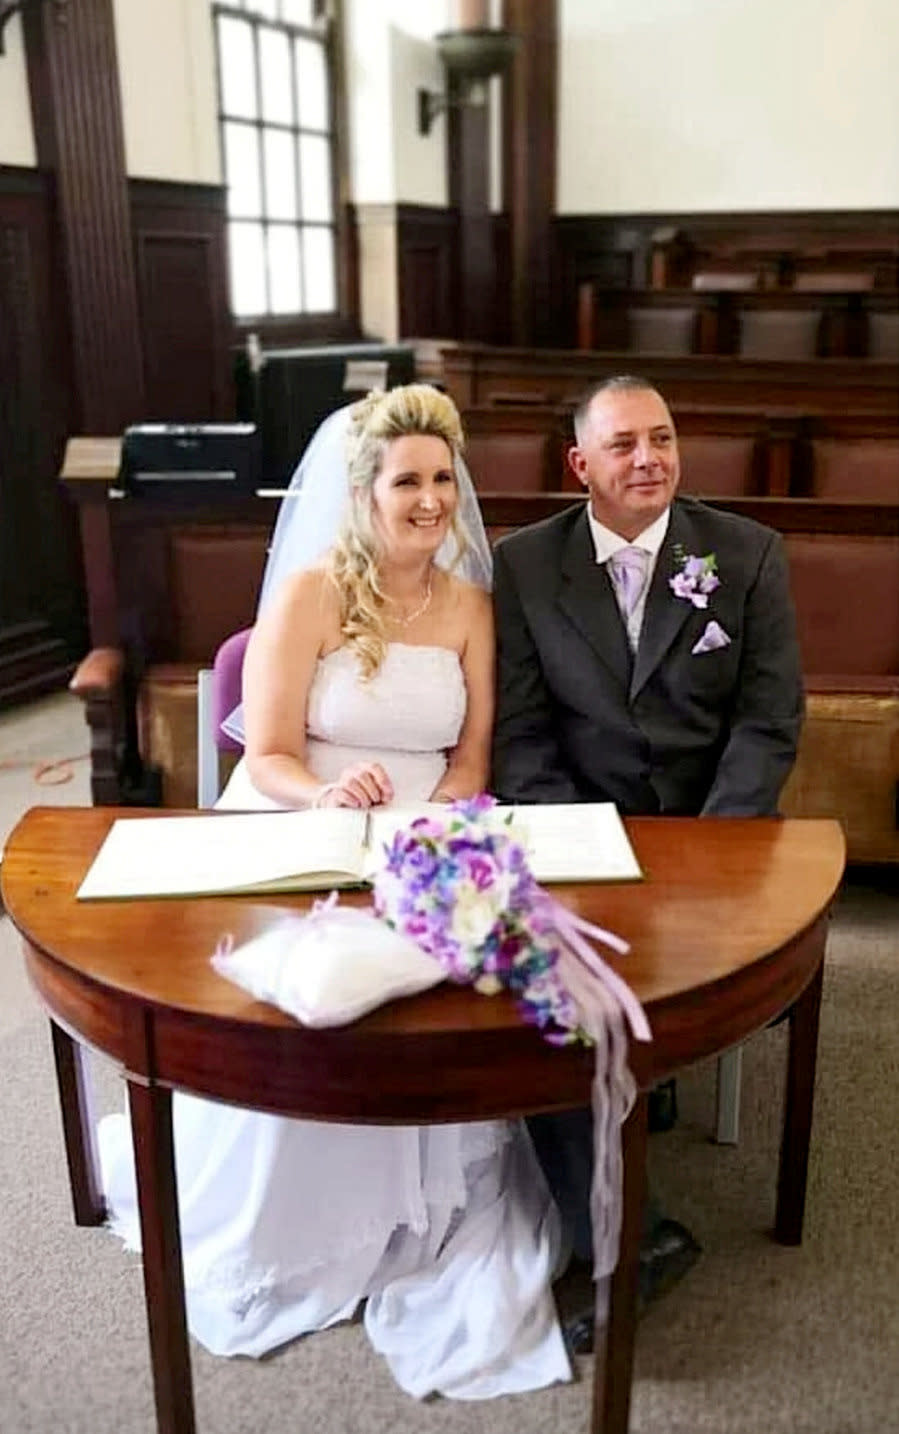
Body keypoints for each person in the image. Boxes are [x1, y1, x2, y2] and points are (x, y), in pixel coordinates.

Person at [98, 384, 572, 1399]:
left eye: (443, 479)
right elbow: (264, 753)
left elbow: (468, 756)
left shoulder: (469, 607)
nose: (430, 499)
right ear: (362, 491)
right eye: (407, 480)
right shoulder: (309, 593)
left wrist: (429, 822)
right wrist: (326, 796)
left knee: (442, 991)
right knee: (311, 994)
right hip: (298, 820)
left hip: (420, 832)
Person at [492, 374, 804, 1343]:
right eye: (622, 444)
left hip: (708, 830)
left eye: (661, 439)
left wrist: (708, 846)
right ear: (578, 464)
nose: (647, 459)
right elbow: (517, 729)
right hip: (572, 828)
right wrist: (573, 841)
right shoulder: (522, 566)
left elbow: (765, 719)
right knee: (541, 991)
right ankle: (628, 1229)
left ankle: (652, 1087)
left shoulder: (744, 553)